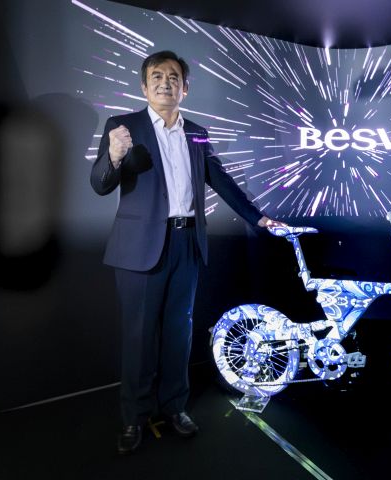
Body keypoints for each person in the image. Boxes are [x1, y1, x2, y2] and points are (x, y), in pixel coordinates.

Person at [90, 50, 284, 455]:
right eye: (157, 77)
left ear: (185, 87)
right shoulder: (123, 126)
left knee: (179, 332)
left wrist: (258, 217)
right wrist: (114, 156)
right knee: (139, 336)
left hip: (187, 243)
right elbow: (100, 184)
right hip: (140, 248)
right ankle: (134, 417)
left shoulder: (196, 132)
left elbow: (221, 179)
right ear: (144, 86)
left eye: (174, 77)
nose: (166, 83)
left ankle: (174, 406)